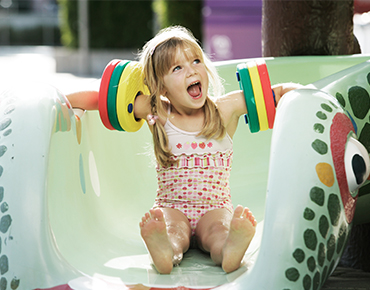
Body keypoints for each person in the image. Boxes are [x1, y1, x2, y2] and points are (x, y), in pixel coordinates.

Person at [67, 26, 299, 274]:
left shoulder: (225, 110)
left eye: (196, 61)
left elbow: (273, 96)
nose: (192, 70)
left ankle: (230, 249)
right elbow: (103, 99)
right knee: (172, 231)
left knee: (219, 231)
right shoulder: (157, 112)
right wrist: (64, 101)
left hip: (215, 206)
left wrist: (303, 95)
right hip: (171, 205)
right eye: (177, 68)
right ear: (162, 88)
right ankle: (165, 250)